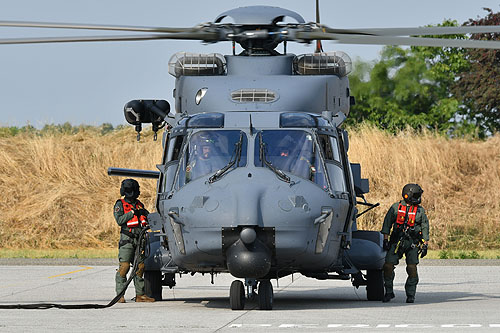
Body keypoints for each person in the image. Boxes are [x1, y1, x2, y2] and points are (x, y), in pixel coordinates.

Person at [381, 183, 429, 303]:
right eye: (416, 195)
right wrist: (386, 240)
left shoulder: (420, 211)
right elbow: (387, 224)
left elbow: (425, 226)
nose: (418, 198)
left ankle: (411, 294)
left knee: (412, 268)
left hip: (412, 243)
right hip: (396, 242)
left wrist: (425, 244)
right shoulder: (395, 208)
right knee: (388, 265)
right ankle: (388, 292)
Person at [113, 179, 155, 303]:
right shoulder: (120, 204)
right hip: (127, 240)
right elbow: (119, 220)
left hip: (140, 240)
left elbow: (147, 218)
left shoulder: (139, 204)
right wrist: (132, 213)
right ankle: (119, 295)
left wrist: (144, 214)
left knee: (140, 267)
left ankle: (140, 295)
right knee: (124, 267)